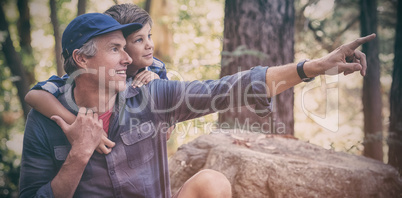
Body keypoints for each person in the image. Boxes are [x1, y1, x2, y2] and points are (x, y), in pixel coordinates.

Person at [19, 11, 375, 198]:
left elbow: (232, 87)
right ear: (82, 60)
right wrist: (78, 154)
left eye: (126, 47)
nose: (128, 58)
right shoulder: (44, 120)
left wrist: (313, 66)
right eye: (115, 49)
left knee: (212, 182)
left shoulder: (153, 95)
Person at [25, 4, 174, 155]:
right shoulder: (85, 78)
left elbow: (167, 129)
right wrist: (75, 123)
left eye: (149, 36)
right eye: (138, 40)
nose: (149, 45)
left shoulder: (155, 68)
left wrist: (157, 84)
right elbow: (34, 96)